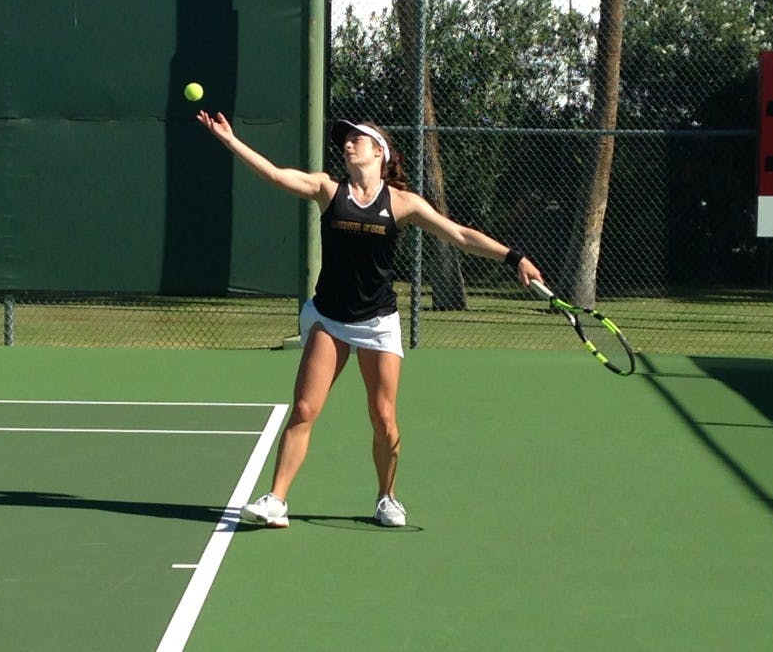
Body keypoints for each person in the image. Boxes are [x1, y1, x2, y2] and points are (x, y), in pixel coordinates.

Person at [196, 111, 543, 527]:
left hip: (378, 321)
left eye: (356, 140)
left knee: (383, 417)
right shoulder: (328, 189)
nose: (347, 145)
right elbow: (275, 176)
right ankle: (276, 501)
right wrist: (230, 141)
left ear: (379, 151)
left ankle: (386, 498)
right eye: (345, 141)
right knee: (305, 408)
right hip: (331, 317)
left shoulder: (402, 203)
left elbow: (461, 236)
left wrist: (514, 257)